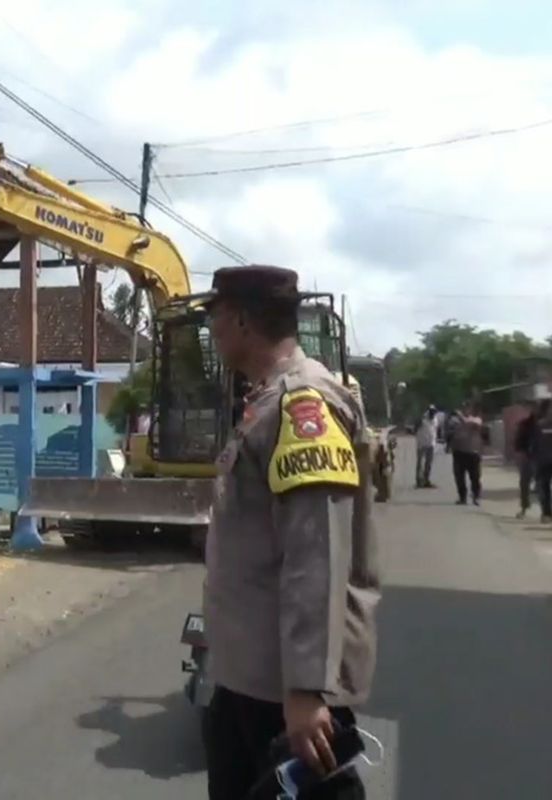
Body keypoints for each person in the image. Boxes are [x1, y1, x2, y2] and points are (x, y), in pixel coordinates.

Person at [201, 266, 378, 800]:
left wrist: (306, 689)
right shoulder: (265, 400)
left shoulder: (302, 407)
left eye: (214, 319)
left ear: (240, 320)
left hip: (280, 689)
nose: (212, 332)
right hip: (246, 675)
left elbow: (315, 553)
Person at [445, 404, 486, 505]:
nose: (465, 410)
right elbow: (449, 432)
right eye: (463, 408)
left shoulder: (476, 420)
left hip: (473, 453)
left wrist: (461, 417)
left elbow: (474, 424)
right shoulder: (455, 421)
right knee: (459, 477)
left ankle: (476, 497)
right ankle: (462, 497)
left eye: (468, 408)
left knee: (475, 477)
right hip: (459, 452)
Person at [514, 402, 538, 519]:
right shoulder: (525, 424)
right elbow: (519, 442)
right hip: (530, 458)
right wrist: (522, 454)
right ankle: (524, 508)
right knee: (524, 484)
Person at [532, 400, 552, 524]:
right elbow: (534, 444)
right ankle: (546, 513)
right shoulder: (539, 425)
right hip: (543, 462)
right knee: (543, 488)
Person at [414, 405, 437, 488]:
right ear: (428, 411)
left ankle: (426, 480)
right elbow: (415, 429)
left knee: (429, 463)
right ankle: (419, 481)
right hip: (421, 444)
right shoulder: (422, 419)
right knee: (420, 463)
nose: (432, 414)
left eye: (434, 412)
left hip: (431, 444)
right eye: (431, 412)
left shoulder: (435, 419)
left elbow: (434, 430)